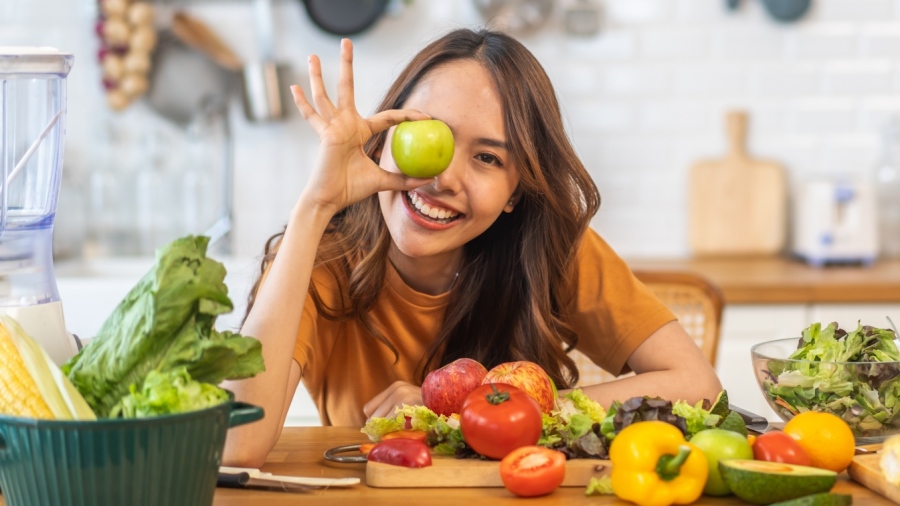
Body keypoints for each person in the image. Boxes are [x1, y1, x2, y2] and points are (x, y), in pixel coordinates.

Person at [222, 28, 722, 467]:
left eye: (487, 157)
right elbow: (233, 447)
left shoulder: (553, 248)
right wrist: (316, 205)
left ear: (514, 194)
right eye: (428, 133)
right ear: (383, 135)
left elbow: (698, 386)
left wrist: (465, 410)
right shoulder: (319, 258)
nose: (442, 178)